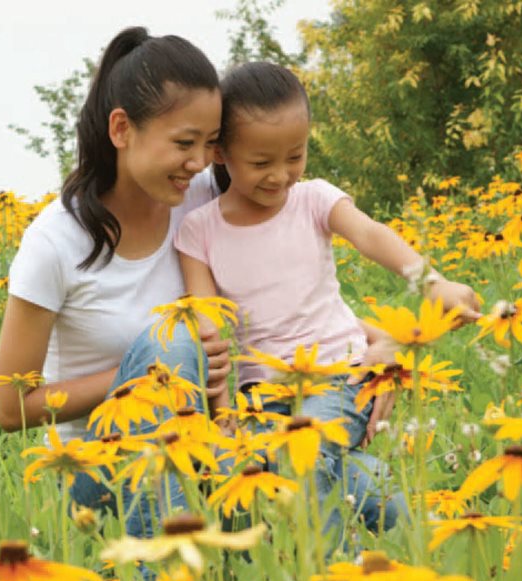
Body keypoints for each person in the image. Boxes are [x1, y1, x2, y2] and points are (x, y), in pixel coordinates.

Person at [174, 61, 482, 536]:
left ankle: (327, 579)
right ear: (220, 152)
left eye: (294, 156)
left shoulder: (314, 199)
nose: (281, 175)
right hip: (258, 392)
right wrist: (222, 416)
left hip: (340, 374)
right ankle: (388, 510)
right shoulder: (198, 231)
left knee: (310, 454)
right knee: (247, 478)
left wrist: (432, 282)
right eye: (261, 163)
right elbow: (207, 333)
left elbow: (370, 235)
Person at [0, 26, 229, 536]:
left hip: (209, 450)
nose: (200, 162)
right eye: (184, 143)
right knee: (172, 343)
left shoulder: (204, 197)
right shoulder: (54, 242)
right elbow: (11, 408)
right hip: (92, 475)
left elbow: (302, 238)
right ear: (121, 129)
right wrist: (147, 378)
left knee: (371, 497)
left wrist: (376, 343)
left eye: (211, 144)